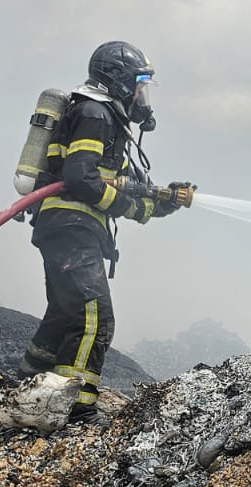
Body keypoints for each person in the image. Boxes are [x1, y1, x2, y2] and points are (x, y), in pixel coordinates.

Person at [19, 40, 188, 424]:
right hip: (72, 227)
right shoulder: (96, 114)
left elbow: (118, 185)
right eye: (139, 84)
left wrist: (162, 201)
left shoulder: (100, 115)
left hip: (65, 227)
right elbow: (81, 177)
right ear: (120, 81)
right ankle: (77, 407)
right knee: (94, 316)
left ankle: (27, 385)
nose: (142, 95)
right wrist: (133, 206)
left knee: (64, 314)